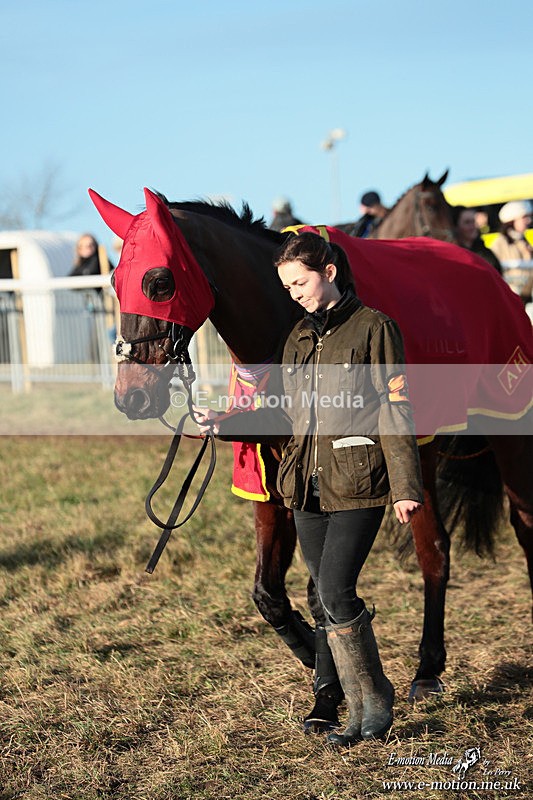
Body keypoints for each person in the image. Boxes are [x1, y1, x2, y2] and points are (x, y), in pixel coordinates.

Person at [195, 232, 424, 747]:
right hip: (304, 487)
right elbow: (285, 412)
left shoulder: (375, 329)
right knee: (324, 596)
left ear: (330, 273)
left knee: (337, 589)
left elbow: (396, 408)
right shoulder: (297, 338)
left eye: (300, 282)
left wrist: (406, 485)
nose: (294, 293)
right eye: (286, 286)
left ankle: (376, 700)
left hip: (358, 482)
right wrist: (224, 421)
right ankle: (360, 707)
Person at [489, 201, 533, 305]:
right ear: (511, 220)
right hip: (511, 296)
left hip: (526, 296)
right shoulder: (500, 242)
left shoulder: (523, 241)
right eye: (524, 217)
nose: (529, 221)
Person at [451, 205, 502, 273]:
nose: (473, 226)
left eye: (474, 221)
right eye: (467, 222)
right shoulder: (453, 254)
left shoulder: (484, 251)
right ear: (456, 227)